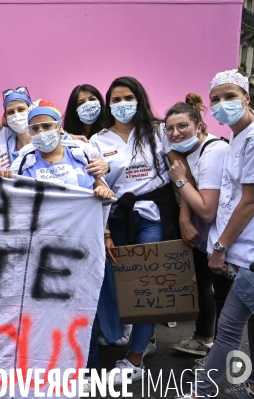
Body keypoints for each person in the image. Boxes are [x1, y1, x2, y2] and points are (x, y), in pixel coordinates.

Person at [90, 76, 181, 384]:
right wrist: (104, 233)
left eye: (128, 97)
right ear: (108, 104)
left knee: (147, 286)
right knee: (124, 284)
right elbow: (97, 187)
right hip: (117, 218)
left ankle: (135, 358)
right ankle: (145, 337)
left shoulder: (157, 132)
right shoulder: (98, 141)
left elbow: (177, 170)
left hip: (153, 216)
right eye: (115, 99)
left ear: (139, 99)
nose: (122, 104)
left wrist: (187, 217)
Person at [178, 70, 254, 399]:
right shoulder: (238, 137)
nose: (223, 104)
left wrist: (220, 247)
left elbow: (249, 202)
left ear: (247, 98)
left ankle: (201, 391)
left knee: (228, 331)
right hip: (244, 252)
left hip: (247, 253)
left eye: (230, 96)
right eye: (216, 100)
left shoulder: (250, 138)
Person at [164, 93, 233, 369]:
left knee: (228, 300)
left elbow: (207, 210)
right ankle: (204, 338)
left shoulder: (213, 151)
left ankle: (223, 361)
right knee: (203, 286)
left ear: (200, 127)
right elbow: (164, 139)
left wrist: (180, 181)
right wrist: (183, 217)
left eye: (183, 127)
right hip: (205, 237)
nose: (175, 133)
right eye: (170, 128)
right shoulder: (187, 149)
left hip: (228, 238)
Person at [15, 104, 114, 200]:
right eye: (34, 128)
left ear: (59, 128)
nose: (41, 132)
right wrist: (3, 177)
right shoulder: (23, 163)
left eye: (46, 126)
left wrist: (104, 192)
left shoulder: (80, 155)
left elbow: (106, 198)